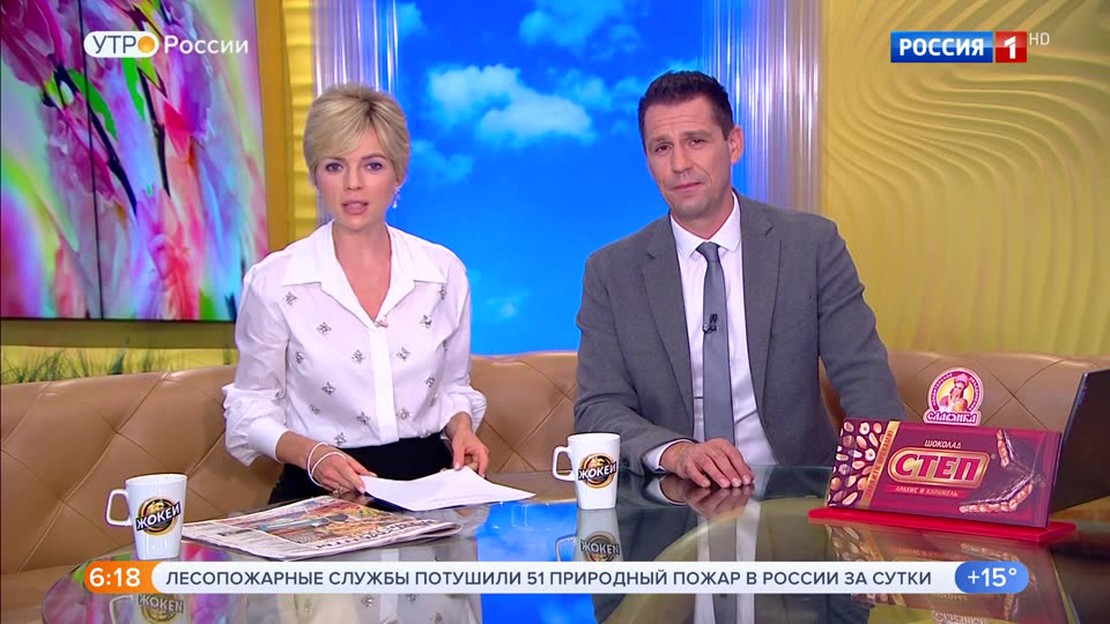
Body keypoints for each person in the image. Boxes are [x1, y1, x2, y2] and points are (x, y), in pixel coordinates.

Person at [574, 70, 903, 491]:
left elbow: (864, 377)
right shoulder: (611, 272)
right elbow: (598, 407)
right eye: (662, 148)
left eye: (696, 141)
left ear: (734, 144)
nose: (679, 164)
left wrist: (877, 491)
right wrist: (677, 452)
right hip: (673, 498)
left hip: (797, 492)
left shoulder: (810, 246)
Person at [224, 83, 489, 504]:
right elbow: (249, 408)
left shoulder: (442, 273)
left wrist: (462, 429)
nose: (352, 184)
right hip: (319, 490)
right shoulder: (276, 281)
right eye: (335, 166)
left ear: (398, 174)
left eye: (372, 165)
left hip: (429, 487)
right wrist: (313, 455)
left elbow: (454, 387)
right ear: (315, 174)